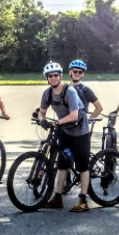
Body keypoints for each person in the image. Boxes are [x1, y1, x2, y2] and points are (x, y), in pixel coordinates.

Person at [38, 62, 91, 212]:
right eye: (50, 76)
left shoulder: (70, 92)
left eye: (56, 75)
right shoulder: (47, 93)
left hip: (80, 131)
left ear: (60, 76)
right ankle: (57, 198)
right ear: (47, 78)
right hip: (65, 131)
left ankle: (83, 200)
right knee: (62, 164)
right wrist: (42, 120)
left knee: (82, 166)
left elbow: (74, 115)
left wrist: (56, 122)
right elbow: (42, 111)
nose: (53, 78)